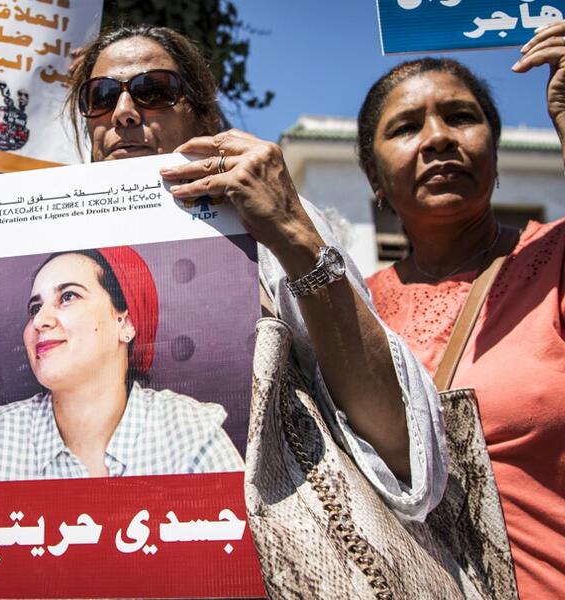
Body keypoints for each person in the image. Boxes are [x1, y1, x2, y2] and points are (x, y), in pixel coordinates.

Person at [63, 25, 447, 521]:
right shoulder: (54, 246)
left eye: (154, 91)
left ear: (202, 116)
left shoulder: (263, 220)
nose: (124, 112)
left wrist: (292, 234)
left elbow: (398, 445)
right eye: (100, 96)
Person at [359, 34, 565, 599]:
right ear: (375, 180)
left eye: (460, 118)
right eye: (405, 128)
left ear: (494, 155)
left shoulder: (555, 260)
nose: (438, 139)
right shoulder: (349, 309)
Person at [0, 247, 244, 481]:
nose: (39, 320)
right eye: (35, 308)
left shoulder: (190, 434)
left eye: (68, 296)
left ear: (125, 323)